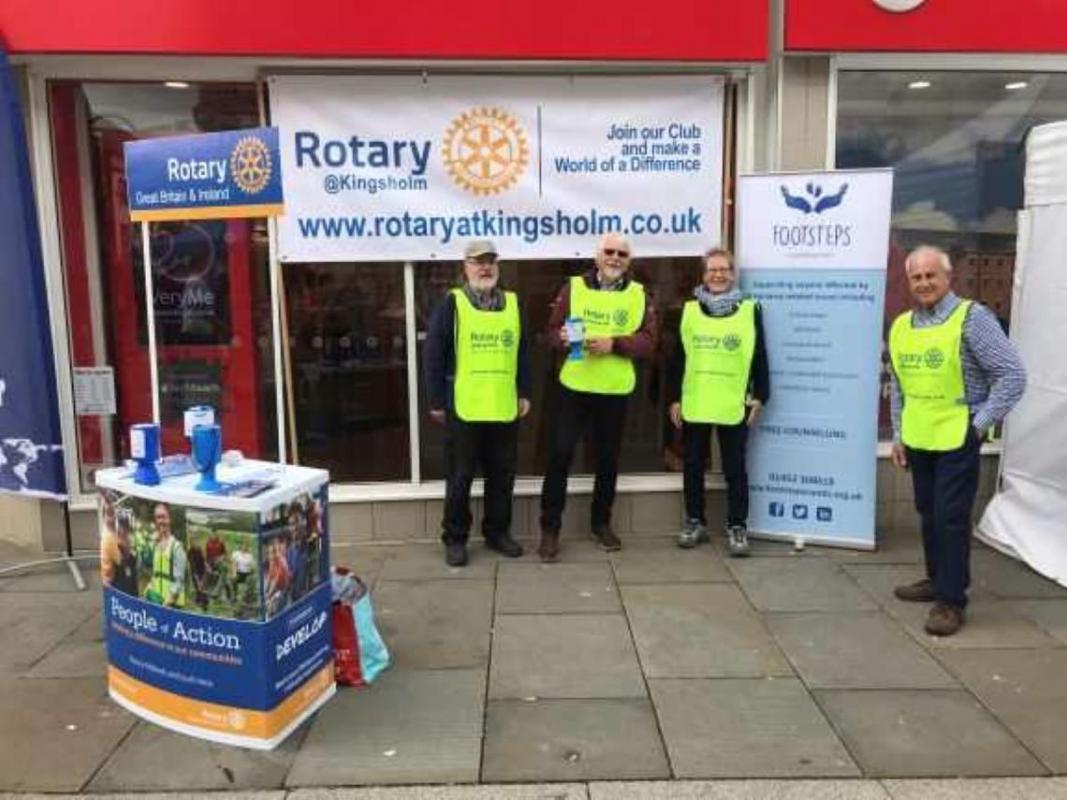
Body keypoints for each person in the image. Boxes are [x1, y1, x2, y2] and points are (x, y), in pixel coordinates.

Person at [888, 245, 1025, 637]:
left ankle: (951, 600)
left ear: (948, 278)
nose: (924, 283)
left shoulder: (973, 319)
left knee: (950, 517)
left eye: (932, 275)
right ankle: (935, 579)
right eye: (917, 277)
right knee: (929, 513)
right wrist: (898, 434)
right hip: (919, 436)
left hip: (956, 436)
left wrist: (977, 426)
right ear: (909, 282)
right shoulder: (902, 325)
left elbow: (1012, 376)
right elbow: (899, 386)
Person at [538, 233, 658, 561]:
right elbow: (549, 332)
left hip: (614, 390)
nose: (615, 258)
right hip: (574, 386)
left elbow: (649, 342)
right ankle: (550, 529)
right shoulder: (573, 287)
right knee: (560, 456)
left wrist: (615, 344)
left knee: (607, 460)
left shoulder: (638, 294)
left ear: (629, 260)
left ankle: (600, 523)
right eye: (609, 251)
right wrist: (561, 338)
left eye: (622, 253)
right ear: (597, 256)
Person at [425, 239, 531, 567]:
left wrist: (524, 392)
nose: (484, 267)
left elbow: (523, 352)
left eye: (489, 261)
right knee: (460, 477)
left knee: (502, 475)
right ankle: (455, 538)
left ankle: (497, 533)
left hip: (502, 406)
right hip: (465, 407)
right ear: (465, 268)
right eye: (477, 262)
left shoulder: (512, 303)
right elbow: (434, 353)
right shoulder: (452, 304)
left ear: (497, 266)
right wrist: (437, 400)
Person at [667, 247, 769, 556]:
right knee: (693, 465)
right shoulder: (688, 311)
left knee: (735, 467)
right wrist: (674, 398)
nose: (718, 274)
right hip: (697, 399)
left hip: (732, 400)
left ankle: (737, 526)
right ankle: (694, 521)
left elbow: (759, 356)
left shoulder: (751, 309)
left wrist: (761, 395)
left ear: (732, 273)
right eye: (712, 270)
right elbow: (678, 360)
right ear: (704, 275)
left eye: (724, 269)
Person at [146, 503, 187, 609]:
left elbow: (179, 580)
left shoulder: (177, 547)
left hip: (171, 606)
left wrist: (168, 602)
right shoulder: (156, 544)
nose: (160, 521)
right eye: (157, 517)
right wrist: (149, 589)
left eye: (163, 517)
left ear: (170, 519)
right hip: (156, 601)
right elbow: (154, 573)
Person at [100, 502, 138, 597]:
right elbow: (121, 561)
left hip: (128, 582)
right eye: (108, 514)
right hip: (116, 584)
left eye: (113, 514)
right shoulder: (110, 538)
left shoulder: (116, 536)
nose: (111, 518)